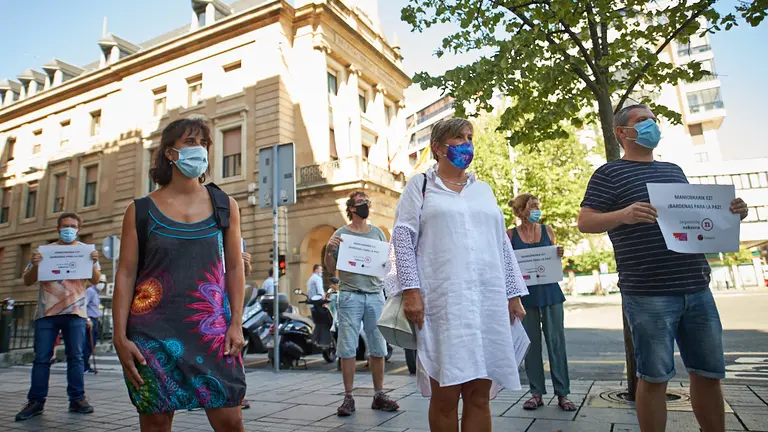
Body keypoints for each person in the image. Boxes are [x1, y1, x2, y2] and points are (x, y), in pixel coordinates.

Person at [578, 104, 749, 432]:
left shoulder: (673, 171)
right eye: (643, 121)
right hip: (648, 293)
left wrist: (730, 214)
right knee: (654, 379)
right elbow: (585, 221)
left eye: (654, 120)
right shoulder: (608, 174)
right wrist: (623, 215)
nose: (652, 126)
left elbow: (695, 219)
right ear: (622, 132)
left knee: (709, 375)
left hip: (697, 287)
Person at [387, 118, 529, 432]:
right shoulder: (420, 185)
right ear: (438, 148)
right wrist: (411, 291)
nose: (466, 143)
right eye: (458, 138)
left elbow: (501, 245)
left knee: (480, 396)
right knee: (446, 395)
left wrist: (513, 294)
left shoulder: (483, 190)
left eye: (469, 137)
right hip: (443, 304)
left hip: (487, 304)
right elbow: (402, 238)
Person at [112, 118, 246, 431]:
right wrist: (119, 336)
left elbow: (235, 266)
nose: (200, 149)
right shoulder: (140, 209)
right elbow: (126, 273)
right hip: (151, 332)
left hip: (211, 330)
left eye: (204, 143)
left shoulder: (225, 205)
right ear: (170, 153)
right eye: (190, 142)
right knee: (156, 419)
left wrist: (236, 322)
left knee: (230, 419)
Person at [15, 212, 101, 421]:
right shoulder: (44, 251)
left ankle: (77, 399)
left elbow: (95, 281)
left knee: (76, 358)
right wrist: (35, 264)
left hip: (76, 312)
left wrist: (92, 263)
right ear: (58, 228)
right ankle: (36, 401)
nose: (69, 229)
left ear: (78, 229)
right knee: (42, 358)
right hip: (47, 313)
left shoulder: (85, 252)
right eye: (65, 226)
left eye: (73, 226)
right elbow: (27, 281)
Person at [325, 192, 400, 416]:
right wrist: (330, 249)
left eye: (368, 202)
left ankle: (379, 394)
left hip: (375, 294)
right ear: (352, 208)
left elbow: (386, 263)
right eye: (361, 203)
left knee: (378, 346)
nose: (366, 206)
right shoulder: (341, 234)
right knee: (347, 347)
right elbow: (331, 268)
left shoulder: (377, 233)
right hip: (350, 294)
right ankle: (348, 397)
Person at [508, 194, 575, 411]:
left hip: (551, 295)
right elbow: (507, 267)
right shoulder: (510, 235)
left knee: (557, 343)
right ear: (521, 211)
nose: (537, 209)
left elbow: (554, 261)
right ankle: (536, 393)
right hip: (525, 299)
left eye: (538, 206)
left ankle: (563, 394)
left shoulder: (548, 231)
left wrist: (559, 254)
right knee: (532, 346)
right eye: (533, 206)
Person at [83, 274, 107, 374]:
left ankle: (85, 365)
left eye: (103, 282)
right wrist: (87, 319)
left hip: (95, 319)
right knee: (88, 343)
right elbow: (84, 305)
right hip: (90, 320)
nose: (102, 284)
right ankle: (84, 366)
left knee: (92, 344)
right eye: (100, 281)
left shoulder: (96, 293)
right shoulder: (90, 291)